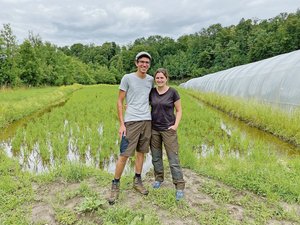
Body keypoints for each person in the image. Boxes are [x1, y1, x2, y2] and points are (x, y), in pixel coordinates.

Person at [108, 51, 154, 205]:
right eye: (141, 62)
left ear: (149, 65)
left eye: (147, 62)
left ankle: (137, 180)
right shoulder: (127, 78)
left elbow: (150, 98)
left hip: (147, 121)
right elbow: (119, 101)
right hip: (131, 122)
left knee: (141, 152)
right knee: (124, 154)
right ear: (136, 63)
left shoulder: (150, 80)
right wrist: (122, 123)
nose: (144, 65)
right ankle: (115, 184)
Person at [149, 68, 185, 201]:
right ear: (155, 79)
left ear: (166, 78)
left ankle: (179, 186)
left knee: (173, 158)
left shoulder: (173, 92)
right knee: (156, 157)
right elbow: (143, 104)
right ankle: (159, 179)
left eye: (161, 78)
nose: (159, 80)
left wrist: (175, 125)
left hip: (168, 130)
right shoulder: (152, 92)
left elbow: (179, 110)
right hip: (154, 129)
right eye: (157, 78)